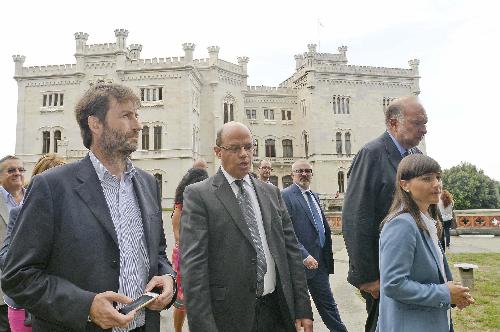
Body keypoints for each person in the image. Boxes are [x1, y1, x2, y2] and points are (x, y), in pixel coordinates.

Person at [1, 83, 176, 332]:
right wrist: (86, 307)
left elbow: (157, 254)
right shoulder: (52, 187)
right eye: (126, 115)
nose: (137, 125)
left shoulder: (148, 184)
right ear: (95, 124)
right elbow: (18, 277)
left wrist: (168, 278)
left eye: (136, 115)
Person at [180, 121, 313, 332]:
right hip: (229, 317)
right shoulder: (199, 195)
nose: (244, 154)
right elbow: (193, 269)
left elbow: (291, 252)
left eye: (249, 147)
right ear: (218, 152)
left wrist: (303, 308)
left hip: (276, 311)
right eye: (235, 148)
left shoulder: (271, 193)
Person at [342, 96, 427, 332]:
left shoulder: (416, 156)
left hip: (415, 267)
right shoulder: (371, 154)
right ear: (393, 123)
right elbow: (355, 217)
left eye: (425, 123)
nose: (424, 130)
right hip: (385, 272)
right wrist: (367, 277)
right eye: (418, 123)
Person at [377, 154, 474, 332]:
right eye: (427, 178)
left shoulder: (425, 220)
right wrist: (445, 293)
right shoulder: (402, 224)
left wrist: (454, 296)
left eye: (438, 177)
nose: (437, 184)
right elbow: (393, 284)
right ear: (404, 185)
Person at [0, 153, 66, 332]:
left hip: (64, 306)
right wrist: (33, 265)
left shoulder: (75, 216)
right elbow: (5, 257)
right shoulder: (20, 213)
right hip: (26, 308)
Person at [282, 160, 348, 332]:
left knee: (329, 307)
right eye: (299, 171)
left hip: (319, 264)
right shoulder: (286, 196)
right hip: (298, 265)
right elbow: (286, 231)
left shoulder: (314, 196)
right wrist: (303, 255)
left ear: (312, 174)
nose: (304, 174)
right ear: (292, 175)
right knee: (299, 314)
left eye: (307, 171)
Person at [170, 167, 209, 332]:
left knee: (199, 300)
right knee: (182, 301)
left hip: (200, 254)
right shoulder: (181, 205)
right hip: (186, 256)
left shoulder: (205, 200)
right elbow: (178, 234)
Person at [0, 155, 26, 332]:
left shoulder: (35, 197)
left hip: (31, 289)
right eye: (11, 170)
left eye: (20, 169)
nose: (17, 173)